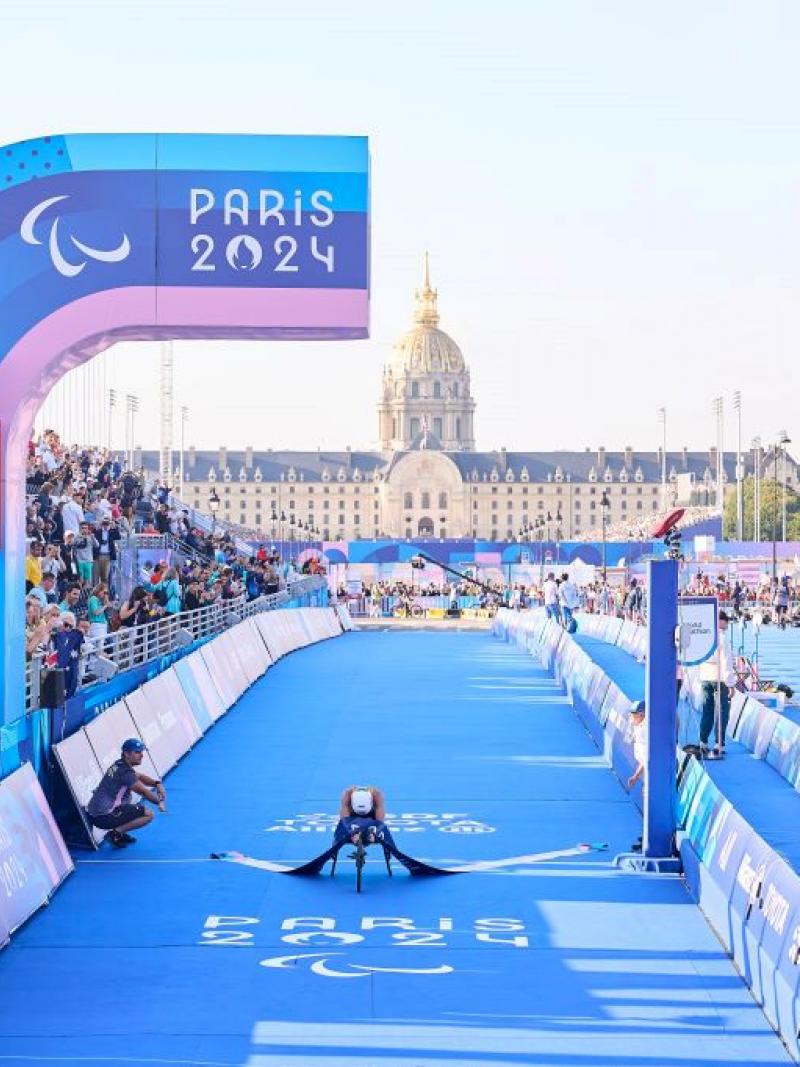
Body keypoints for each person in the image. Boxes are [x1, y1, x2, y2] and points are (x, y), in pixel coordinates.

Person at [86, 738, 166, 848]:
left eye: (141, 752)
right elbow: (143, 791)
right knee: (148, 814)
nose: (142, 755)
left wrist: (156, 783)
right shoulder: (125, 772)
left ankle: (119, 832)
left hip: (95, 813)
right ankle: (115, 834)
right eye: (137, 752)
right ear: (127, 754)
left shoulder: (119, 764)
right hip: (104, 817)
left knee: (128, 800)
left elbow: (140, 776)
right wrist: (159, 802)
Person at [698, 609, 737, 755]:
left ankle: (703, 742)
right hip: (719, 678)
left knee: (707, 710)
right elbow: (726, 663)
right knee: (722, 712)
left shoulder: (704, 635)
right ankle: (719, 744)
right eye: (726, 621)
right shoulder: (722, 638)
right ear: (720, 621)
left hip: (705, 677)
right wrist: (731, 684)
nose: (727, 624)